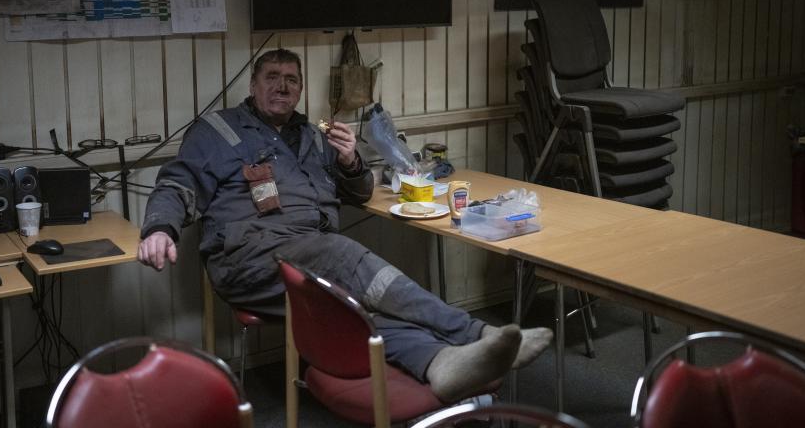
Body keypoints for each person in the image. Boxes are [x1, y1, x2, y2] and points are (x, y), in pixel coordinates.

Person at [138, 48, 552, 402]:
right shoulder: (219, 130)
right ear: (253, 85)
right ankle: (474, 331)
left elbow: (359, 193)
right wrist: (161, 228)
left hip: (312, 260)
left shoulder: (314, 136)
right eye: (272, 78)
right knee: (338, 253)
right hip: (249, 258)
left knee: (357, 310)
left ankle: (438, 362)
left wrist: (351, 161)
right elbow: (179, 182)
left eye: (292, 80)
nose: (283, 87)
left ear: (300, 89)